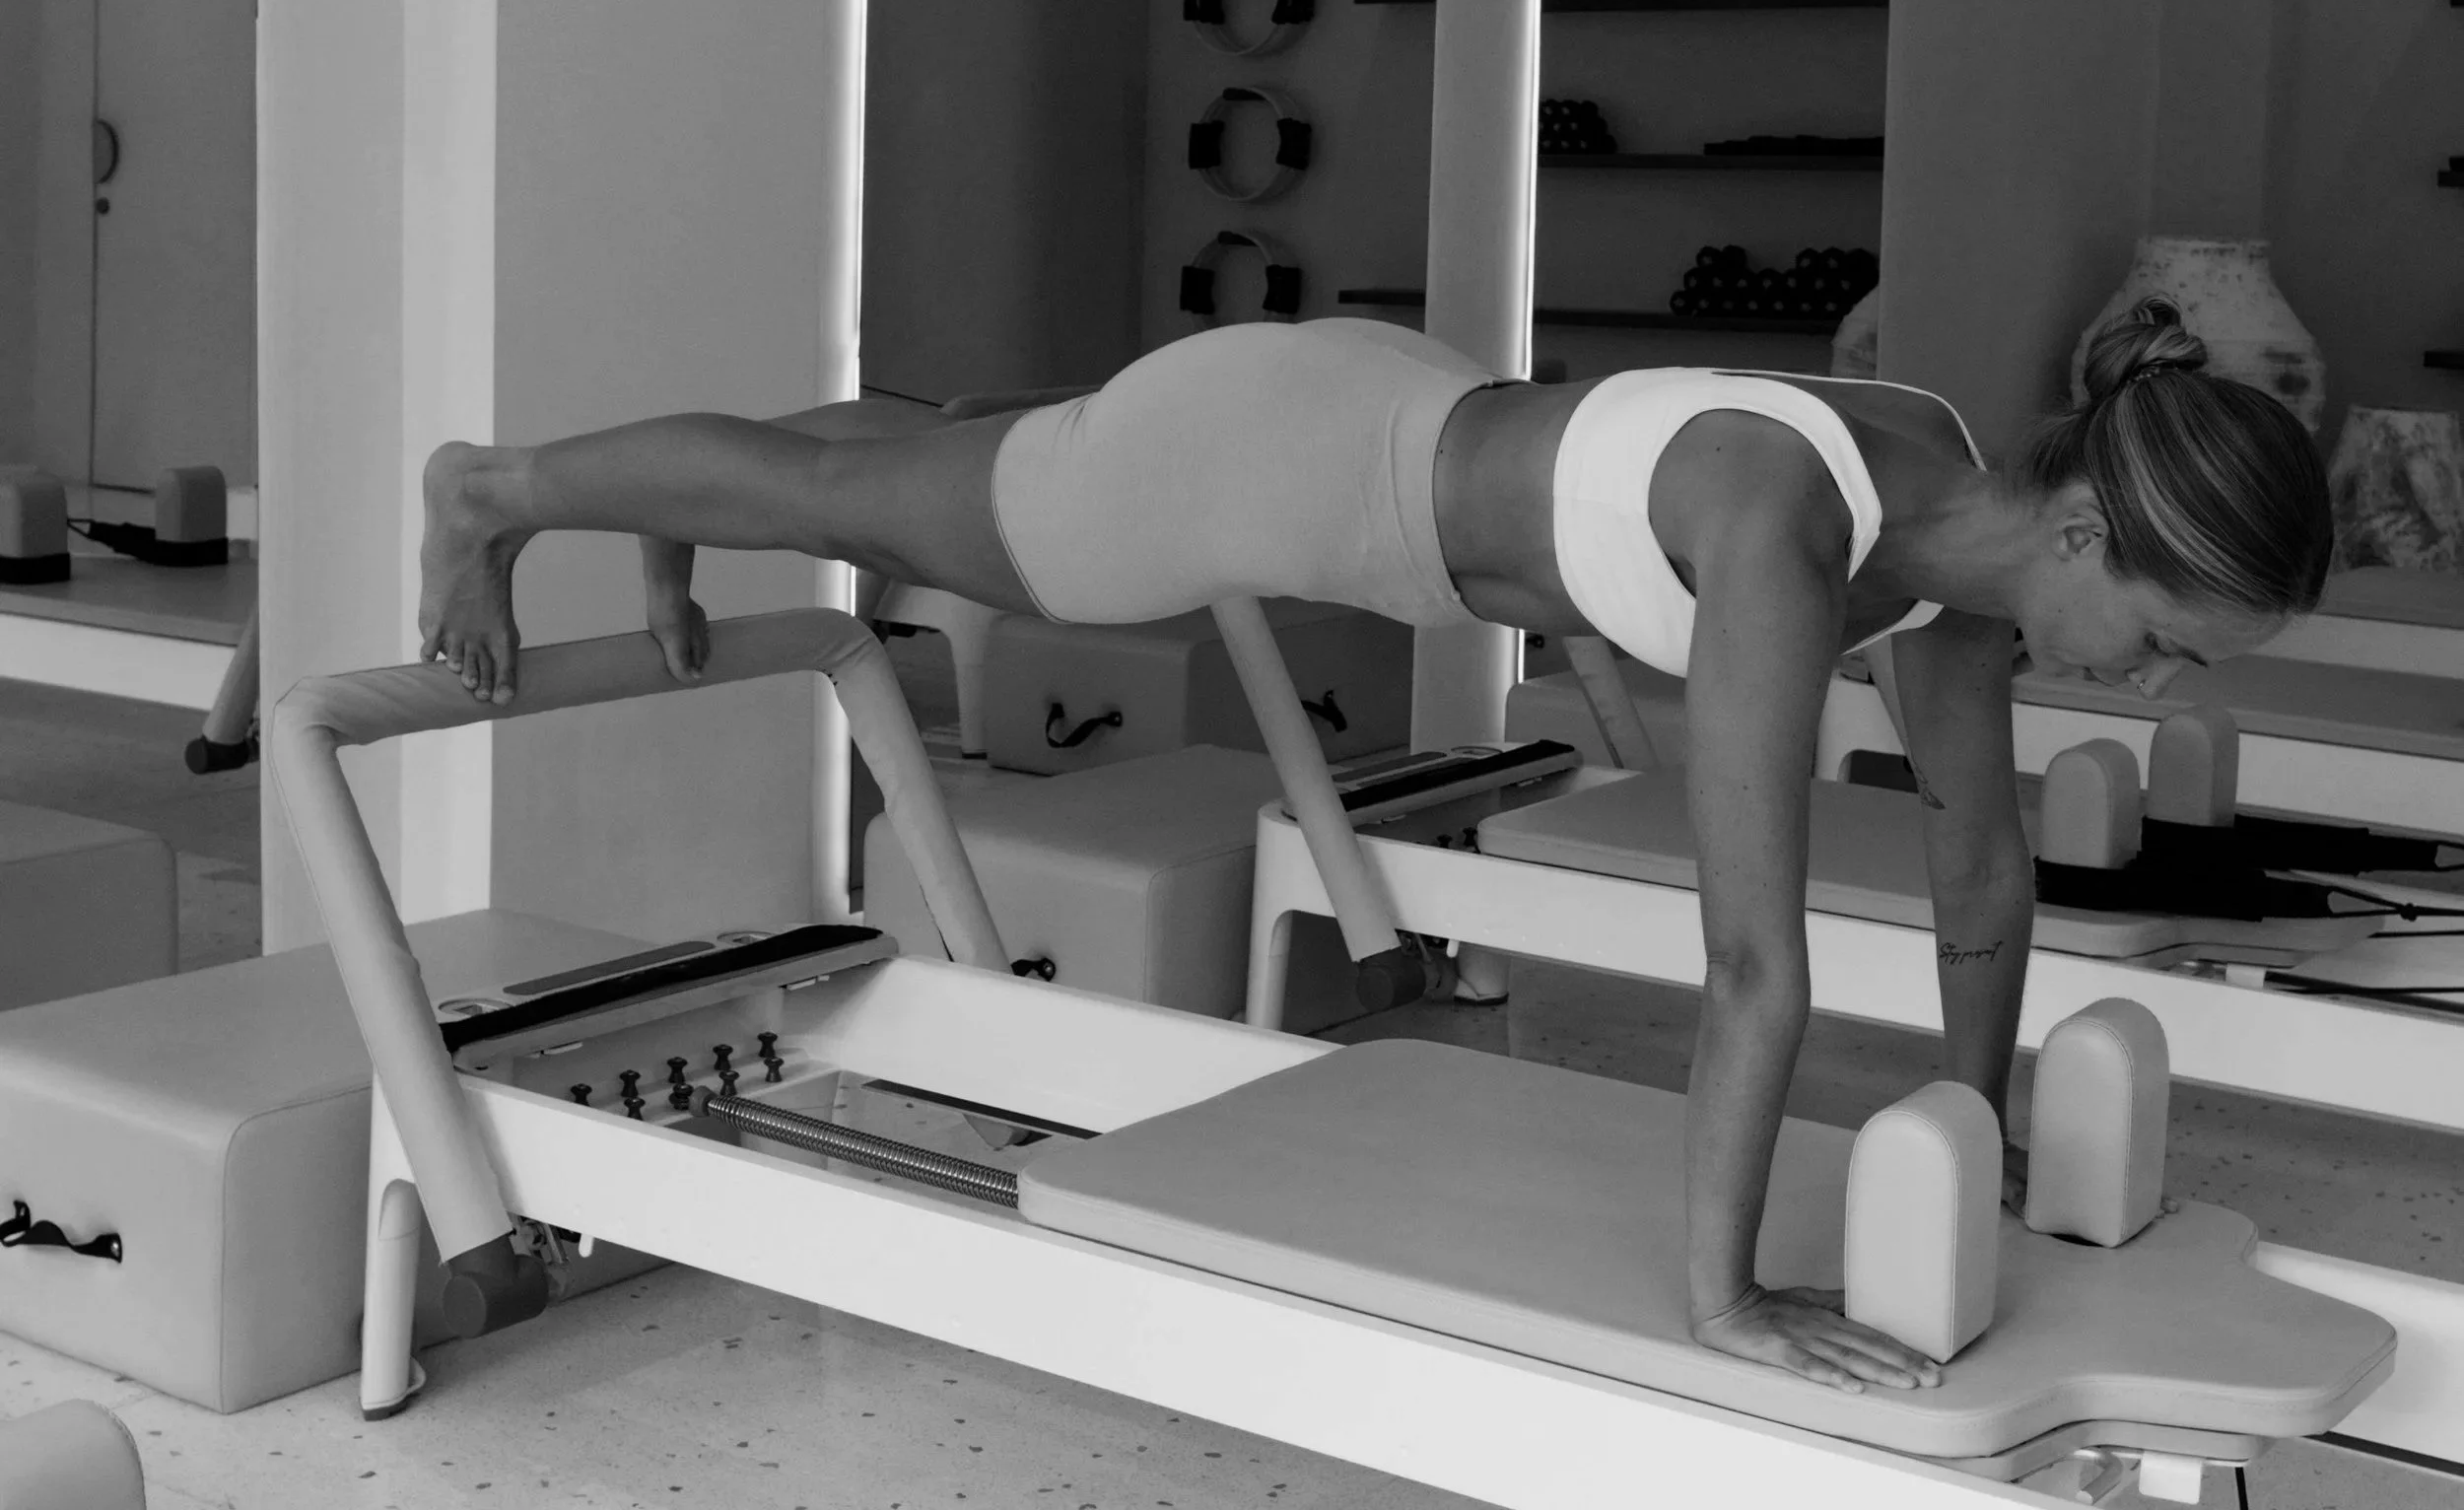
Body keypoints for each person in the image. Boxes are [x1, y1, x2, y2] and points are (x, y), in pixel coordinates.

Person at [416, 300, 2332, 1395]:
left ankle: (681, 497)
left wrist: (1971, 1144)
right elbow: (1752, 958)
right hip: (1287, 468)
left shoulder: (1958, 524)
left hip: (1375, 406)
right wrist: (1721, 1296)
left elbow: (1977, 881)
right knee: (906, 508)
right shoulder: (1783, 535)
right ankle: (498, 489)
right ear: (2084, 535)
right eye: (2159, 640)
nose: (2138, 686)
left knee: (936, 468)